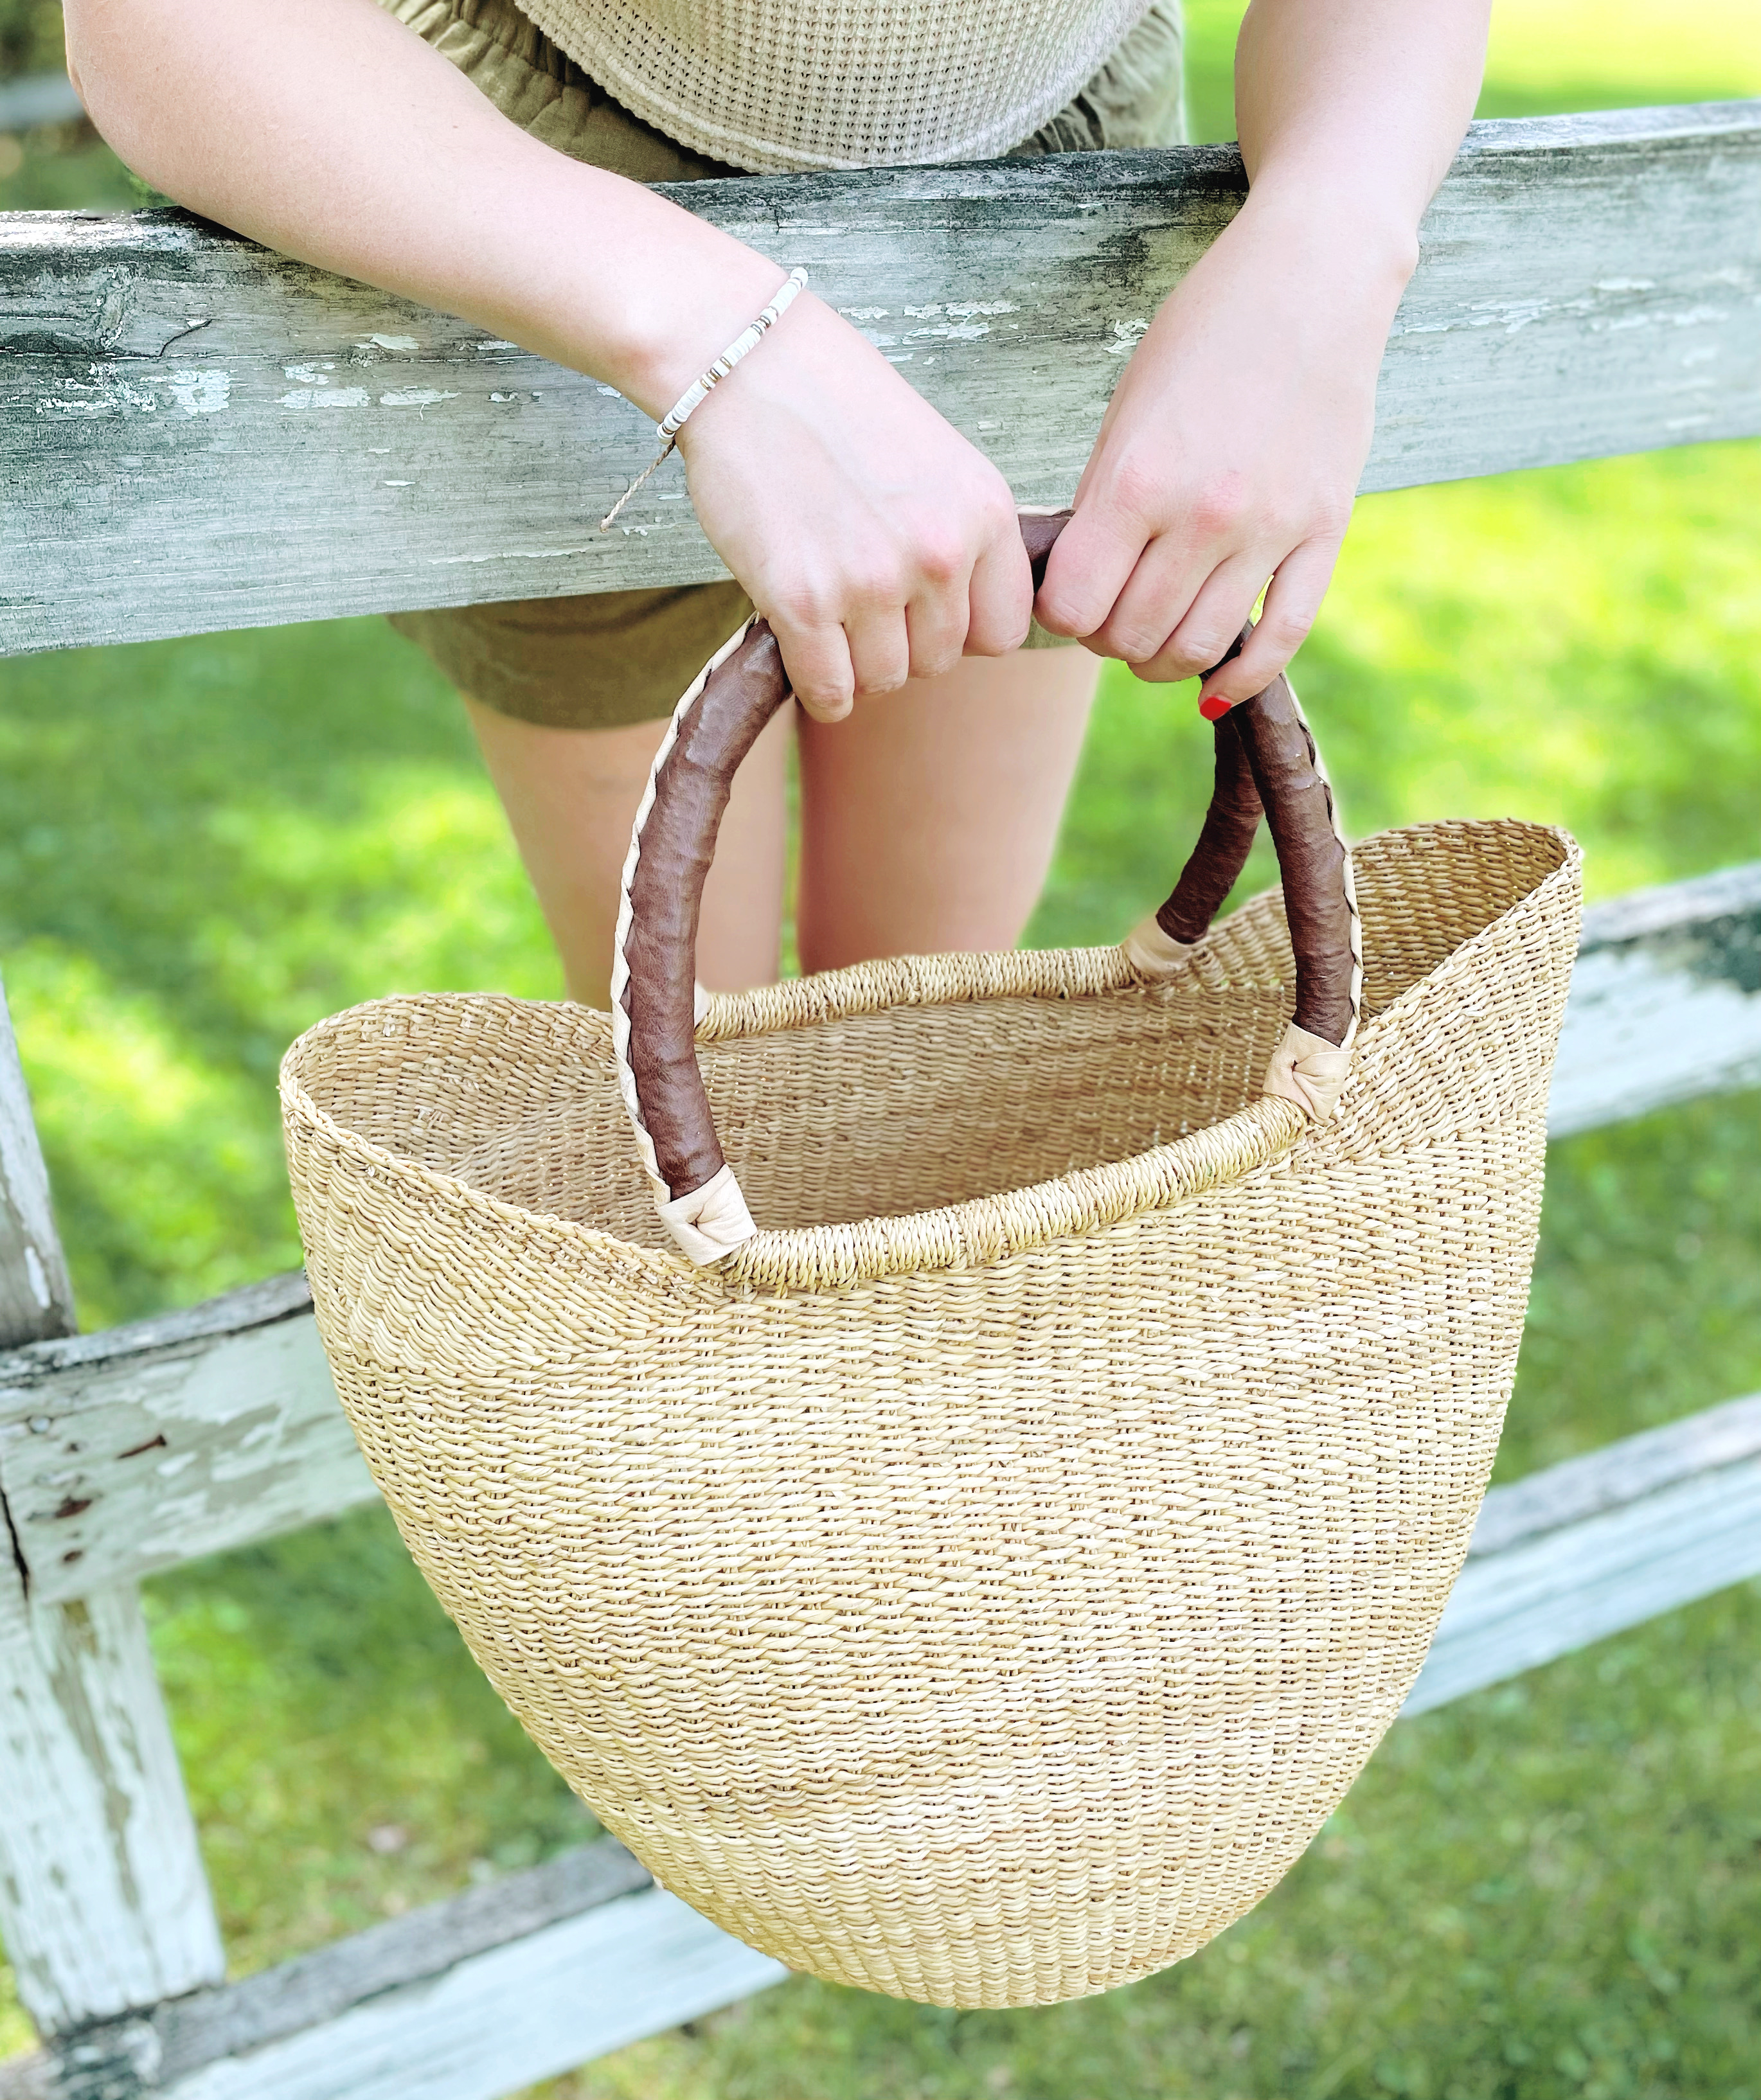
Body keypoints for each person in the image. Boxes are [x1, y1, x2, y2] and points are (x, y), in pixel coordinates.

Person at [64, 0, 1489, 1007]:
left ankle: (897, 1422)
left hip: (1053, 192)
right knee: (697, 1068)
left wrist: (1325, 252)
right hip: (535, 215)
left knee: (929, 1029)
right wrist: (709, 337)